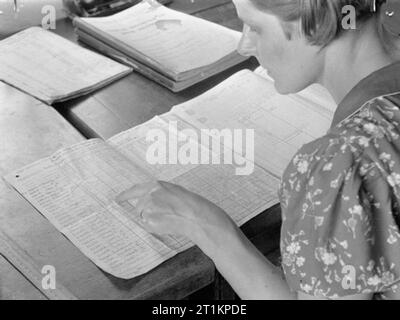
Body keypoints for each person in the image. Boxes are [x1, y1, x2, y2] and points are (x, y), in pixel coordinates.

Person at [117, 0, 400, 300]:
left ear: (314, 23)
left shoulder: (338, 167)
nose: (244, 44)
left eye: (254, 26)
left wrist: (203, 224)